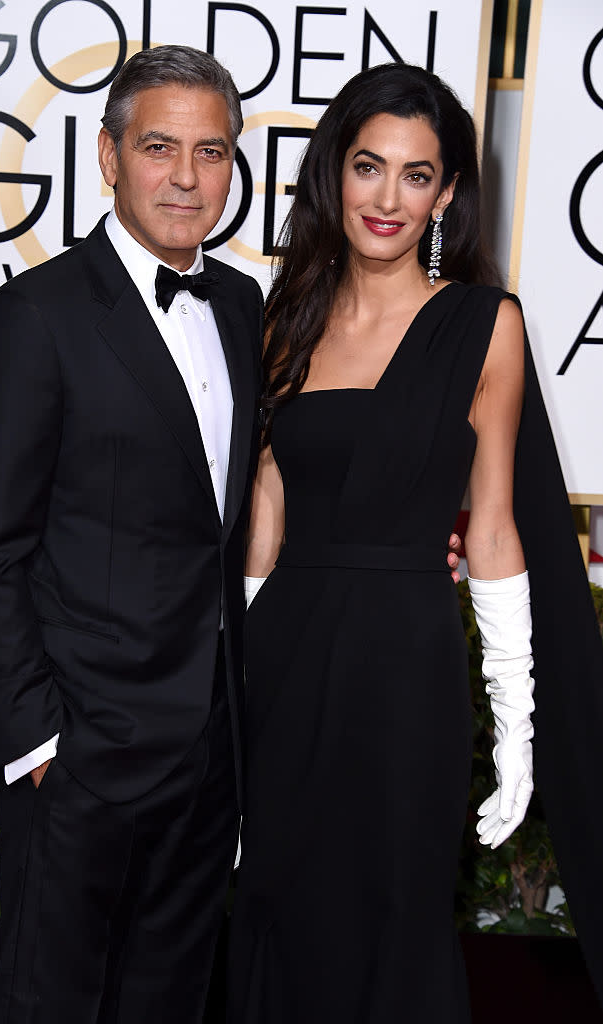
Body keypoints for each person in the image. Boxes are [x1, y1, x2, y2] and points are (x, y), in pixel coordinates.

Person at [227, 63, 603, 1022]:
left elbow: (493, 526)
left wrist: (515, 725)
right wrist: (224, 688)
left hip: (407, 666)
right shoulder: (284, 321)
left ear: (445, 193)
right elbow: (264, 513)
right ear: (333, 174)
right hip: (284, 664)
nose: (387, 198)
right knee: (273, 902)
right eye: (367, 166)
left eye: (416, 174)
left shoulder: (485, 324)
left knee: (396, 905)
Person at [0, 45, 264, 1023]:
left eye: (211, 152)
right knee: (49, 1002)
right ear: (108, 155)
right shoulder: (32, 319)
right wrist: (35, 738)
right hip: (79, 755)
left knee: (166, 1001)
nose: (185, 175)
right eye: (159, 146)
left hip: (210, 756)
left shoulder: (246, 308)